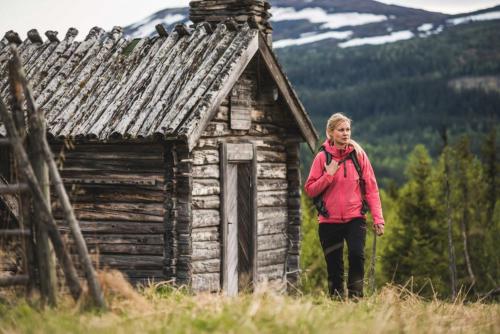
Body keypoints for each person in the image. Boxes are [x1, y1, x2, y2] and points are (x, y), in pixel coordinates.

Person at [304, 113, 385, 298]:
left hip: (355, 218)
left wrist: (378, 218)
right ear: (330, 133)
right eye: (341, 130)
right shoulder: (322, 158)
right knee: (334, 266)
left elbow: (371, 189)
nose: (345, 133)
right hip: (328, 221)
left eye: (348, 129)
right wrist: (328, 175)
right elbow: (310, 189)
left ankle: (356, 299)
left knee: (357, 256)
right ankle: (337, 302)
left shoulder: (358, 155)